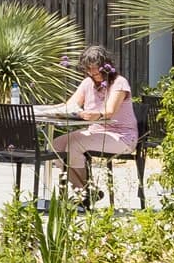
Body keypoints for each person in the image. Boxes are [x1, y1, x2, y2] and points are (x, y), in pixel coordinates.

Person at [57, 50, 137, 200]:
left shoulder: (119, 82)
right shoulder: (88, 82)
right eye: (89, 70)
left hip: (121, 137)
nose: (93, 74)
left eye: (96, 69)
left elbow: (109, 111)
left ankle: (83, 194)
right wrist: (52, 110)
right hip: (95, 133)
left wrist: (97, 114)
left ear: (106, 66)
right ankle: (87, 190)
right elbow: (71, 105)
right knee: (55, 145)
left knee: (74, 145)